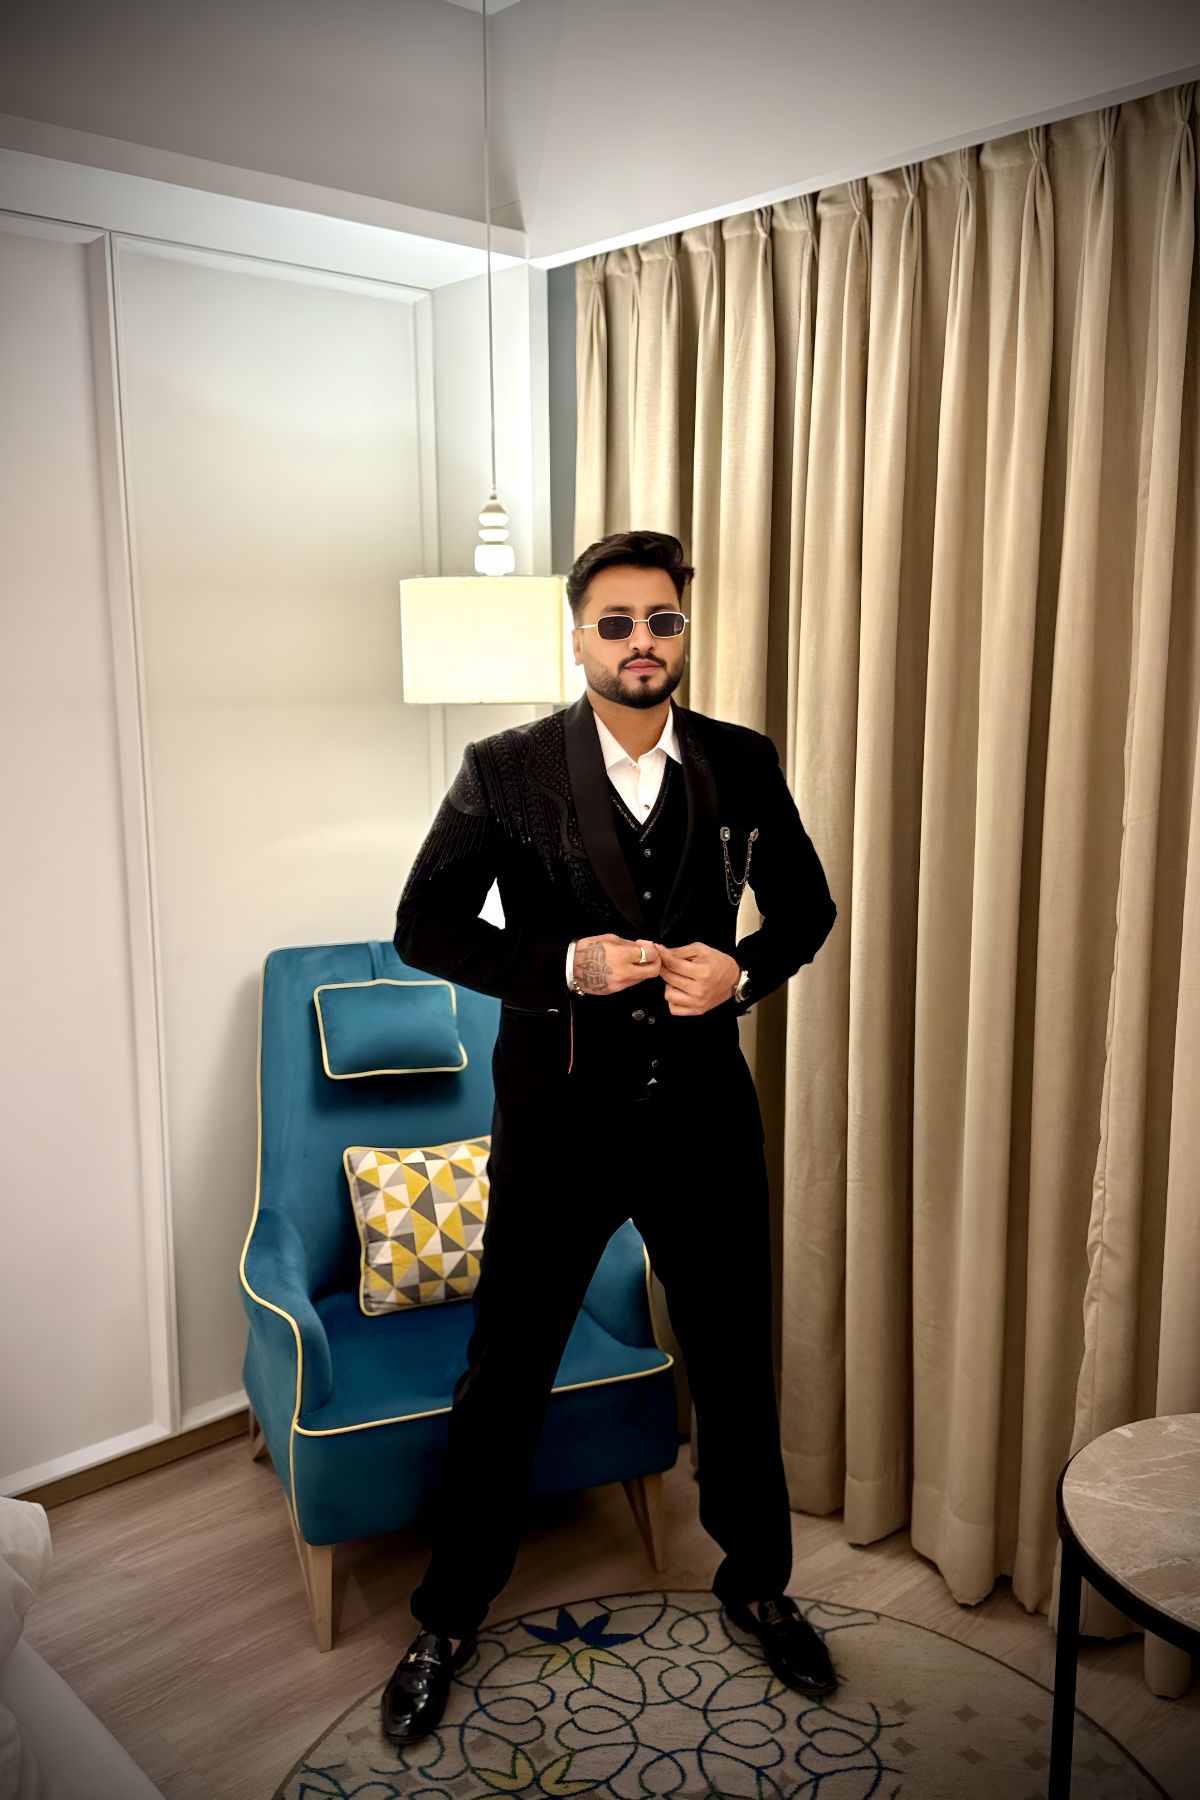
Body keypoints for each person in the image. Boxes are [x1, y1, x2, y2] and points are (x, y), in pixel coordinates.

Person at [381, 530, 837, 1744]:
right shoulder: (503, 768)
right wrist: (560, 966)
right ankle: (447, 1615)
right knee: (506, 1372)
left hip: (704, 1120)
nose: (643, 641)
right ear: (578, 637)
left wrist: (741, 972)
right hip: (557, 1127)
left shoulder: (742, 759)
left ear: (683, 631)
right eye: (618, 622)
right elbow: (425, 924)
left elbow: (807, 908)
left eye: (662, 620)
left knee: (732, 1361)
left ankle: (760, 1583)